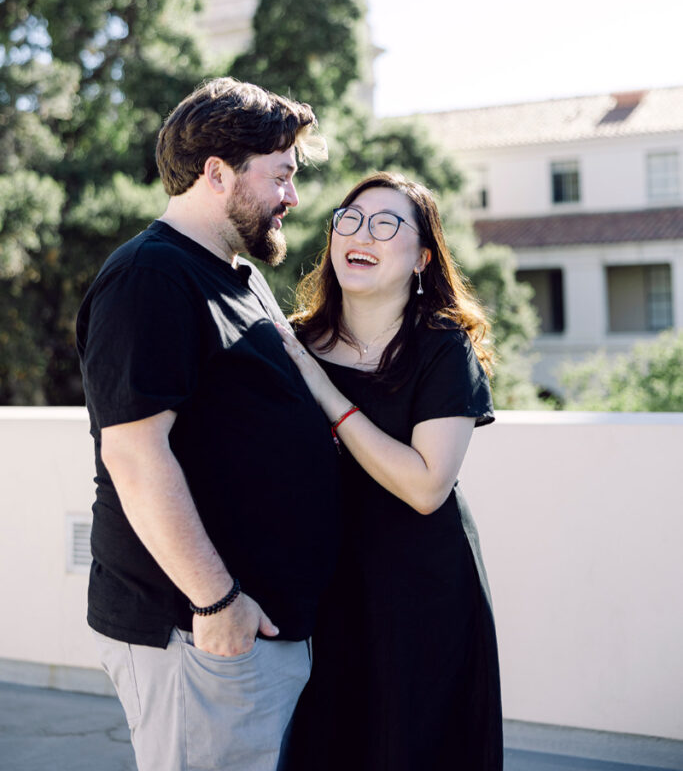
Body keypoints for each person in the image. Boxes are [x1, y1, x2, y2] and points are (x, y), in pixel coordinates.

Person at [76, 77, 339, 771]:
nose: (292, 197)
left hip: (260, 630)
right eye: (279, 176)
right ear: (217, 173)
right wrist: (217, 600)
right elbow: (135, 458)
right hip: (200, 633)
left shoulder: (240, 278)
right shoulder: (150, 277)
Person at [276, 171, 503, 771]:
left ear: (422, 257)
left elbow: (428, 486)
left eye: (385, 224)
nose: (361, 233)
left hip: (422, 597)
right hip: (322, 596)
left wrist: (326, 395)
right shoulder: (294, 343)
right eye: (348, 219)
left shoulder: (441, 346)